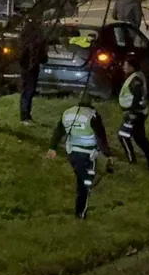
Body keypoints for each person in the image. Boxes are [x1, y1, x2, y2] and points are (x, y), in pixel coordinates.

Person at [45, 92, 113, 220]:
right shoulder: (92, 115)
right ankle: (80, 213)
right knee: (85, 184)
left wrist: (52, 148)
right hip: (87, 155)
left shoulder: (68, 113)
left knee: (81, 180)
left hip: (72, 154)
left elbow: (58, 131)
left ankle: (80, 209)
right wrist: (107, 154)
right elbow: (100, 136)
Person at [117, 57, 149, 173]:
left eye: (125, 65)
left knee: (123, 136)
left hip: (135, 114)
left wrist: (132, 113)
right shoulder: (136, 76)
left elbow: (137, 96)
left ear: (132, 67)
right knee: (140, 139)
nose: (123, 67)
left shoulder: (136, 79)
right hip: (138, 113)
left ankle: (132, 161)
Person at [18, 17, 47, 125]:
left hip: (31, 66)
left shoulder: (29, 35)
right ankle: (25, 116)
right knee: (28, 91)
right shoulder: (29, 37)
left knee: (30, 91)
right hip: (28, 67)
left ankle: (27, 115)